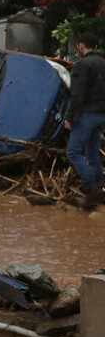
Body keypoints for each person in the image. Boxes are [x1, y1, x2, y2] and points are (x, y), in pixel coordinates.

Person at [64, 31, 105, 211]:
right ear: (96, 46)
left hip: (86, 114)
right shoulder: (103, 63)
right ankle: (100, 190)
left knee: (72, 152)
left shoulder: (82, 65)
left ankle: (91, 186)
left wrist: (70, 117)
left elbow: (77, 95)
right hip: (101, 115)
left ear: (81, 46)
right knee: (92, 153)